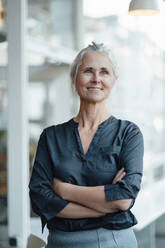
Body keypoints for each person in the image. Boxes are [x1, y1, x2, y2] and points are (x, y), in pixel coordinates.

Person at [29, 41, 144, 248]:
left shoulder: (128, 133)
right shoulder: (51, 137)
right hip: (61, 242)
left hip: (114, 241)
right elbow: (40, 198)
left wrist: (64, 190)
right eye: (88, 71)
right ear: (75, 78)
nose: (96, 79)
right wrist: (106, 205)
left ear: (113, 81)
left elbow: (124, 197)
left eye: (104, 72)